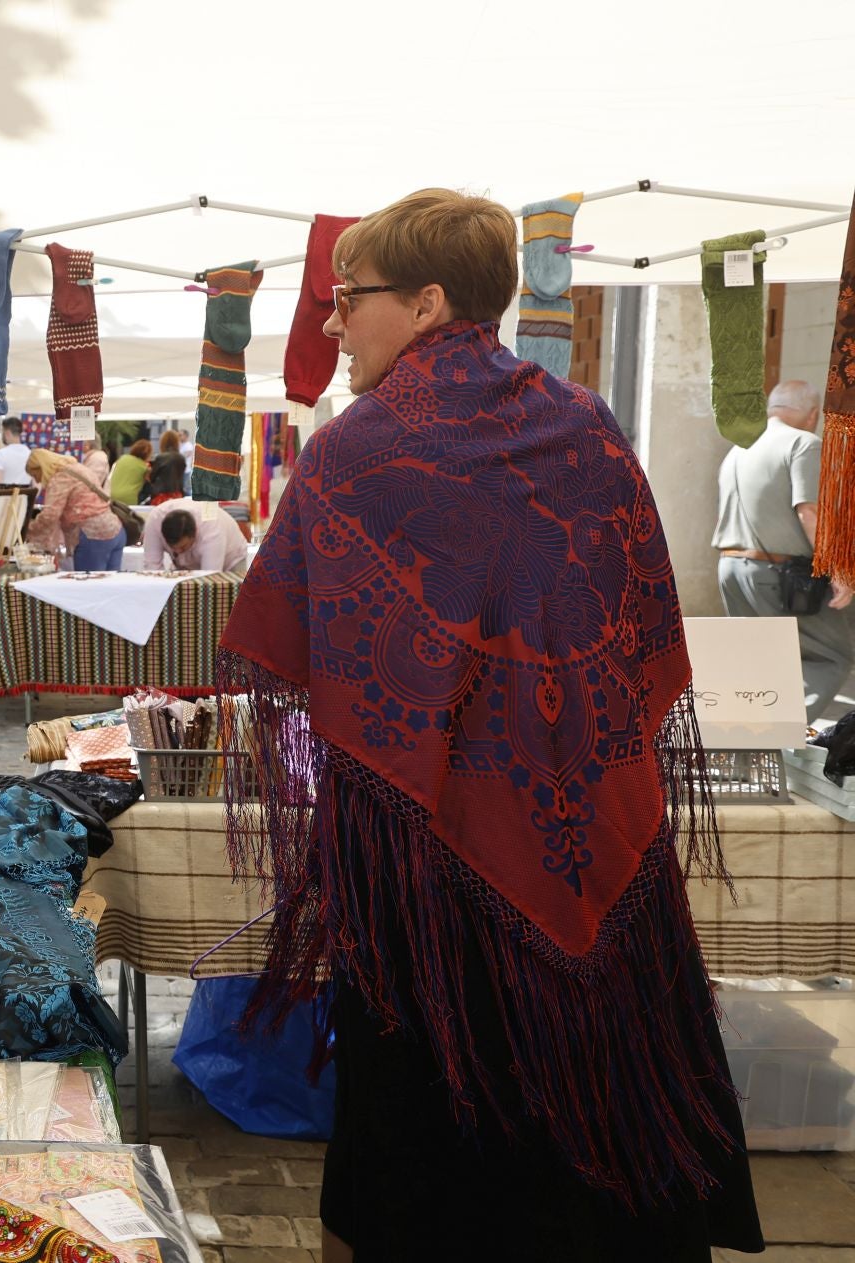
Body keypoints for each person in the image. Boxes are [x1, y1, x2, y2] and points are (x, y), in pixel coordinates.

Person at [218, 189, 760, 1261]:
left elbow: (291, 649)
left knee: (424, 1138)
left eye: (348, 299)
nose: (333, 325)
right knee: (603, 1111)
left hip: (422, 875)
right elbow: (642, 636)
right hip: (593, 827)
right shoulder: (588, 429)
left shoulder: (352, 458)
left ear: (425, 304)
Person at [713, 380, 854, 720]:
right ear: (811, 415)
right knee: (830, 655)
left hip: (731, 569)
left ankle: (745, 750)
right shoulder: (804, 443)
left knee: (758, 662)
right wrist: (838, 568)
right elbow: (810, 512)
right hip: (779, 575)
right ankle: (778, 731)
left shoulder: (740, 448)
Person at [24, 449, 124, 572]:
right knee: (110, 587)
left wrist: (28, 530)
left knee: (88, 588)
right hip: (114, 529)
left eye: (35, 475)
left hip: (92, 535)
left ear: (41, 467)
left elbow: (50, 516)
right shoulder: (79, 469)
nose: (38, 481)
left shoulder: (60, 478)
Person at [142, 502, 248, 572]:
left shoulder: (211, 530)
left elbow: (210, 578)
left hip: (231, 559)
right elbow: (152, 567)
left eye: (183, 547)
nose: (178, 552)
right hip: (185, 567)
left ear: (195, 533)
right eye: (172, 549)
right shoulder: (154, 522)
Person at [142, 430, 187, 504]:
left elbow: (152, 478)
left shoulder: (160, 457)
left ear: (163, 443)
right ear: (176, 442)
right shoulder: (181, 458)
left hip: (161, 496)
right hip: (178, 495)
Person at [0, 416, 32, 487]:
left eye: (2, 432)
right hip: (25, 497)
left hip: (5, 497)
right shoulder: (30, 454)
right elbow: (37, 484)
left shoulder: (0, 454)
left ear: (7, 433)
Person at [109, 438, 151, 505]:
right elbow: (150, 481)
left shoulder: (122, 458)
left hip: (112, 496)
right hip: (130, 499)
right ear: (147, 455)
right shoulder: (144, 467)